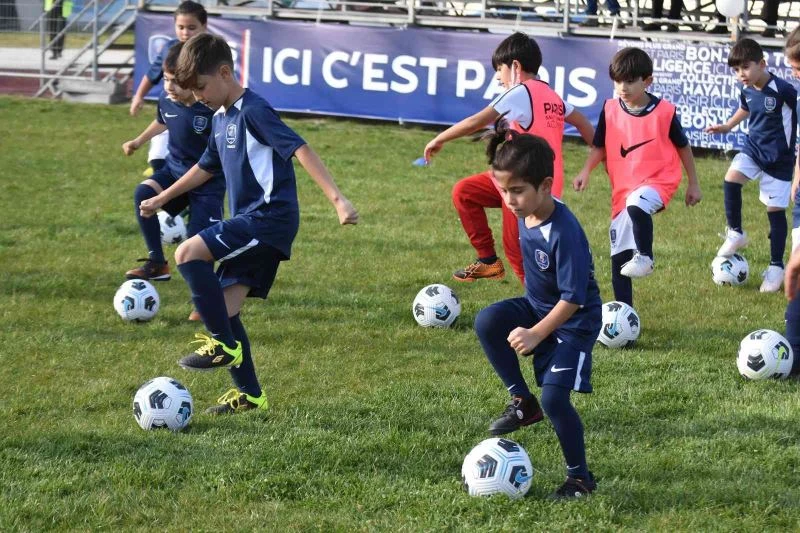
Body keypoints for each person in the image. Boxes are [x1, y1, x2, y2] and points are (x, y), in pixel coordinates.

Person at [139, 33, 359, 415]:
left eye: (202, 87)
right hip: (251, 220)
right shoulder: (221, 116)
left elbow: (299, 148)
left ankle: (223, 344)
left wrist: (338, 199)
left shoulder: (254, 109)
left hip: (268, 218)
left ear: (225, 73)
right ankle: (251, 395)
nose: (199, 97)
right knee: (226, 309)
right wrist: (162, 196)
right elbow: (205, 167)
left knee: (188, 252)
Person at [473, 122, 601, 499]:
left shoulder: (564, 232)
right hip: (539, 307)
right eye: (503, 190)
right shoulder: (524, 211)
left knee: (556, 399)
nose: (509, 200)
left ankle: (580, 479)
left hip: (573, 322)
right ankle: (522, 402)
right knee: (488, 320)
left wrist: (535, 333)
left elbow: (574, 299)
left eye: (517, 191)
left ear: (546, 186)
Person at [423, 32, 594, 284]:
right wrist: (598, 155)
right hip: (528, 180)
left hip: (526, 185)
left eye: (499, 69)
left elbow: (476, 121)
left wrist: (440, 139)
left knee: (519, 253)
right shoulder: (552, 95)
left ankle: (542, 308)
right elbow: (582, 122)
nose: (497, 77)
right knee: (465, 192)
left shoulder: (520, 91)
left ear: (515, 67)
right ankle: (488, 261)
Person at [573, 47, 702, 308]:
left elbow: (683, 147)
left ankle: (645, 256)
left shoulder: (664, 112)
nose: (623, 87)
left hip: (659, 182)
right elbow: (599, 146)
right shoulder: (610, 109)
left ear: (647, 81)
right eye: (618, 81)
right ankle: (624, 312)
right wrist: (585, 171)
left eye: (630, 81)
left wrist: (694, 183)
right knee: (619, 255)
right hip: (622, 189)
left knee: (637, 203)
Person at [121, 41, 224, 301]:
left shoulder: (212, 110)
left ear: (193, 79)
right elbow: (161, 121)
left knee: (197, 244)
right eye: (166, 80)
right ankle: (157, 263)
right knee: (142, 194)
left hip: (206, 183)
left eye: (176, 82)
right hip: (175, 172)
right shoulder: (168, 101)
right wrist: (138, 141)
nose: (169, 88)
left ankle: (205, 300)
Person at [705, 38, 797, 293]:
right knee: (730, 180)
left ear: (762, 64)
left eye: (745, 67)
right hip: (753, 149)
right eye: (736, 70)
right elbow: (745, 109)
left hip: (780, 160)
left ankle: (776, 267)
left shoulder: (783, 89)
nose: (740, 74)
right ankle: (736, 232)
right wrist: (727, 126)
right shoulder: (746, 89)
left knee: (775, 211)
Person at [130, 0, 208, 176]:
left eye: (191, 27)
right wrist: (138, 96)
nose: (185, 32)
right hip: (172, 109)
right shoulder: (170, 48)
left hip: (201, 113)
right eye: (180, 27)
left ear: (204, 26)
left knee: (199, 156)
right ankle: (165, 183)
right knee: (158, 154)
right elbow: (152, 74)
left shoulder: (211, 50)